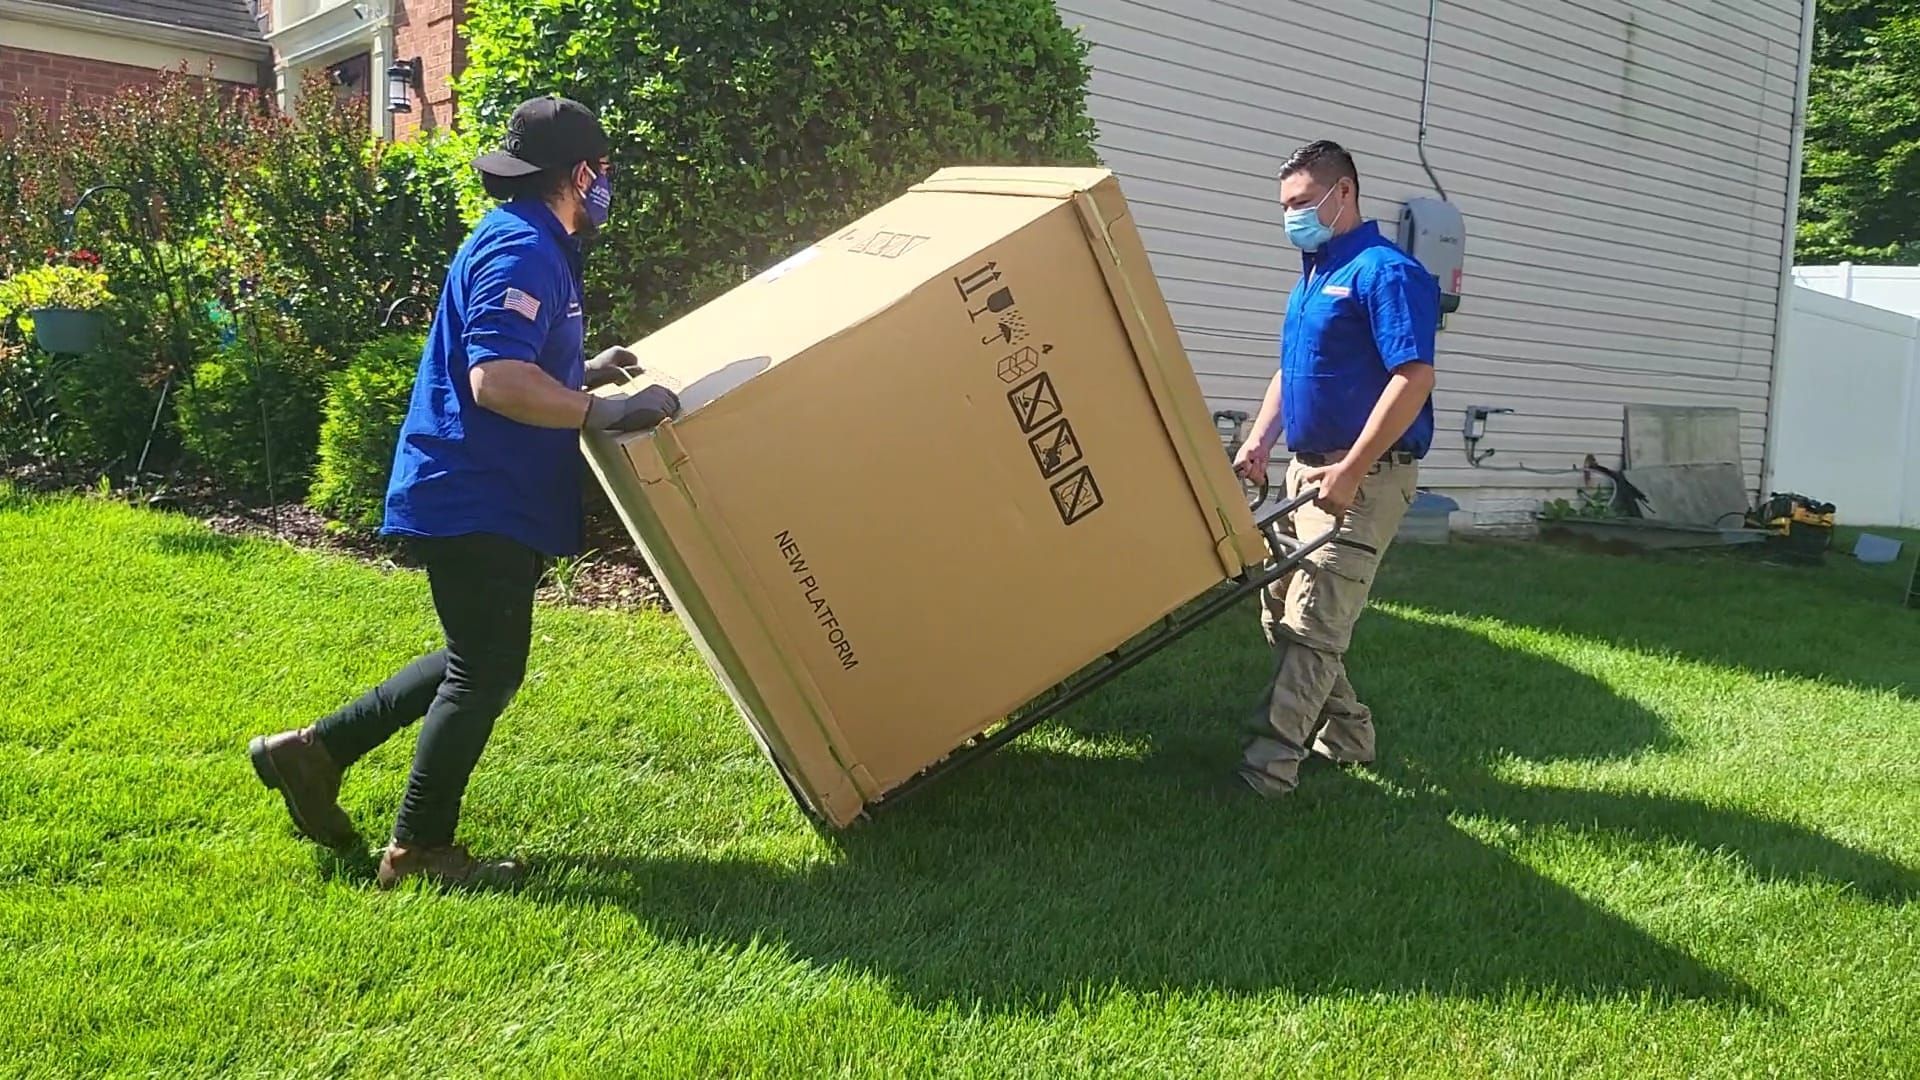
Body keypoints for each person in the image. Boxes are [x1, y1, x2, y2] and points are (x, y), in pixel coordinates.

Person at [245, 96, 679, 888]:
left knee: (475, 655)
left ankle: (311, 753)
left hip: (483, 489)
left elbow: (519, 362)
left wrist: (585, 369)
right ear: (581, 174)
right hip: (476, 491)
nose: (609, 185)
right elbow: (496, 379)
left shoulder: (532, 239)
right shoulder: (523, 248)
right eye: (605, 171)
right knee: (487, 668)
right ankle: (417, 850)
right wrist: (602, 410)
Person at [1229, 140, 1440, 797]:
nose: (1291, 216)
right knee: (1278, 612)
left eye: (1300, 203)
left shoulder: (1385, 271)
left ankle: (1268, 770)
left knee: (1314, 620)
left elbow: (1414, 377)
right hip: (1306, 469)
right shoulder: (1314, 274)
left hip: (1364, 477)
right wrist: (1261, 442)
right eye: (1285, 206)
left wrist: (1352, 467)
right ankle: (1347, 736)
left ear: (1342, 193)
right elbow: (1291, 371)